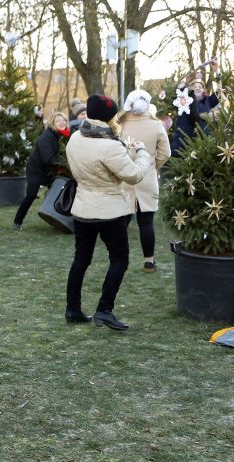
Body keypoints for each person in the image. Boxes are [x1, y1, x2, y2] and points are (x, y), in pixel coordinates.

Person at [65, 95, 150, 331]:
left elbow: (93, 169)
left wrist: (125, 154)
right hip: (109, 211)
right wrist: (141, 153)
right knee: (119, 258)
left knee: (81, 259)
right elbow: (133, 174)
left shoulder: (75, 139)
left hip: (82, 208)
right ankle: (104, 309)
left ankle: (72, 308)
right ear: (109, 116)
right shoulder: (110, 145)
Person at [119, 90, 171, 273]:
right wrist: (154, 166)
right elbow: (166, 153)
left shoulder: (120, 124)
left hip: (124, 175)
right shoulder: (156, 125)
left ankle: (119, 260)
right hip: (146, 177)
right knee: (146, 223)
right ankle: (149, 261)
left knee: (122, 221)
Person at [12, 112, 71, 230]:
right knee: (31, 195)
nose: (62, 122)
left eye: (64, 120)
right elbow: (48, 158)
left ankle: (57, 218)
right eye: (58, 120)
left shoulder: (65, 136)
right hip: (37, 170)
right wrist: (64, 165)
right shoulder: (46, 137)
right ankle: (17, 222)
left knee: (60, 191)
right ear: (53, 123)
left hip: (51, 171)